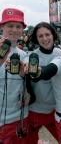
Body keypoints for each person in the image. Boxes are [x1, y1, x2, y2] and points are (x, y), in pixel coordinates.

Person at [25, 22, 61, 143]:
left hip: (56, 110)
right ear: (36, 38)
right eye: (40, 36)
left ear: (53, 35)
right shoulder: (32, 56)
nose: (45, 38)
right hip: (35, 110)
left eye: (47, 34)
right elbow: (26, 68)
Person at [0, 8, 29, 143]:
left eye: (18, 26)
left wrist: (27, 91)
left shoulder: (24, 55)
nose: (14, 30)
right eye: (10, 26)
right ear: (2, 27)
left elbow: (26, 85)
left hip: (20, 118)